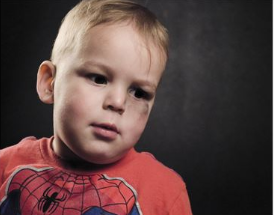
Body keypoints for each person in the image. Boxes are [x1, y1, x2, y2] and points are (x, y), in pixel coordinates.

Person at [0, 0, 192, 214]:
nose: (118, 103)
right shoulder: (5, 167)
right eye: (99, 79)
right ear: (49, 82)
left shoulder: (165, 192)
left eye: (139, 93)